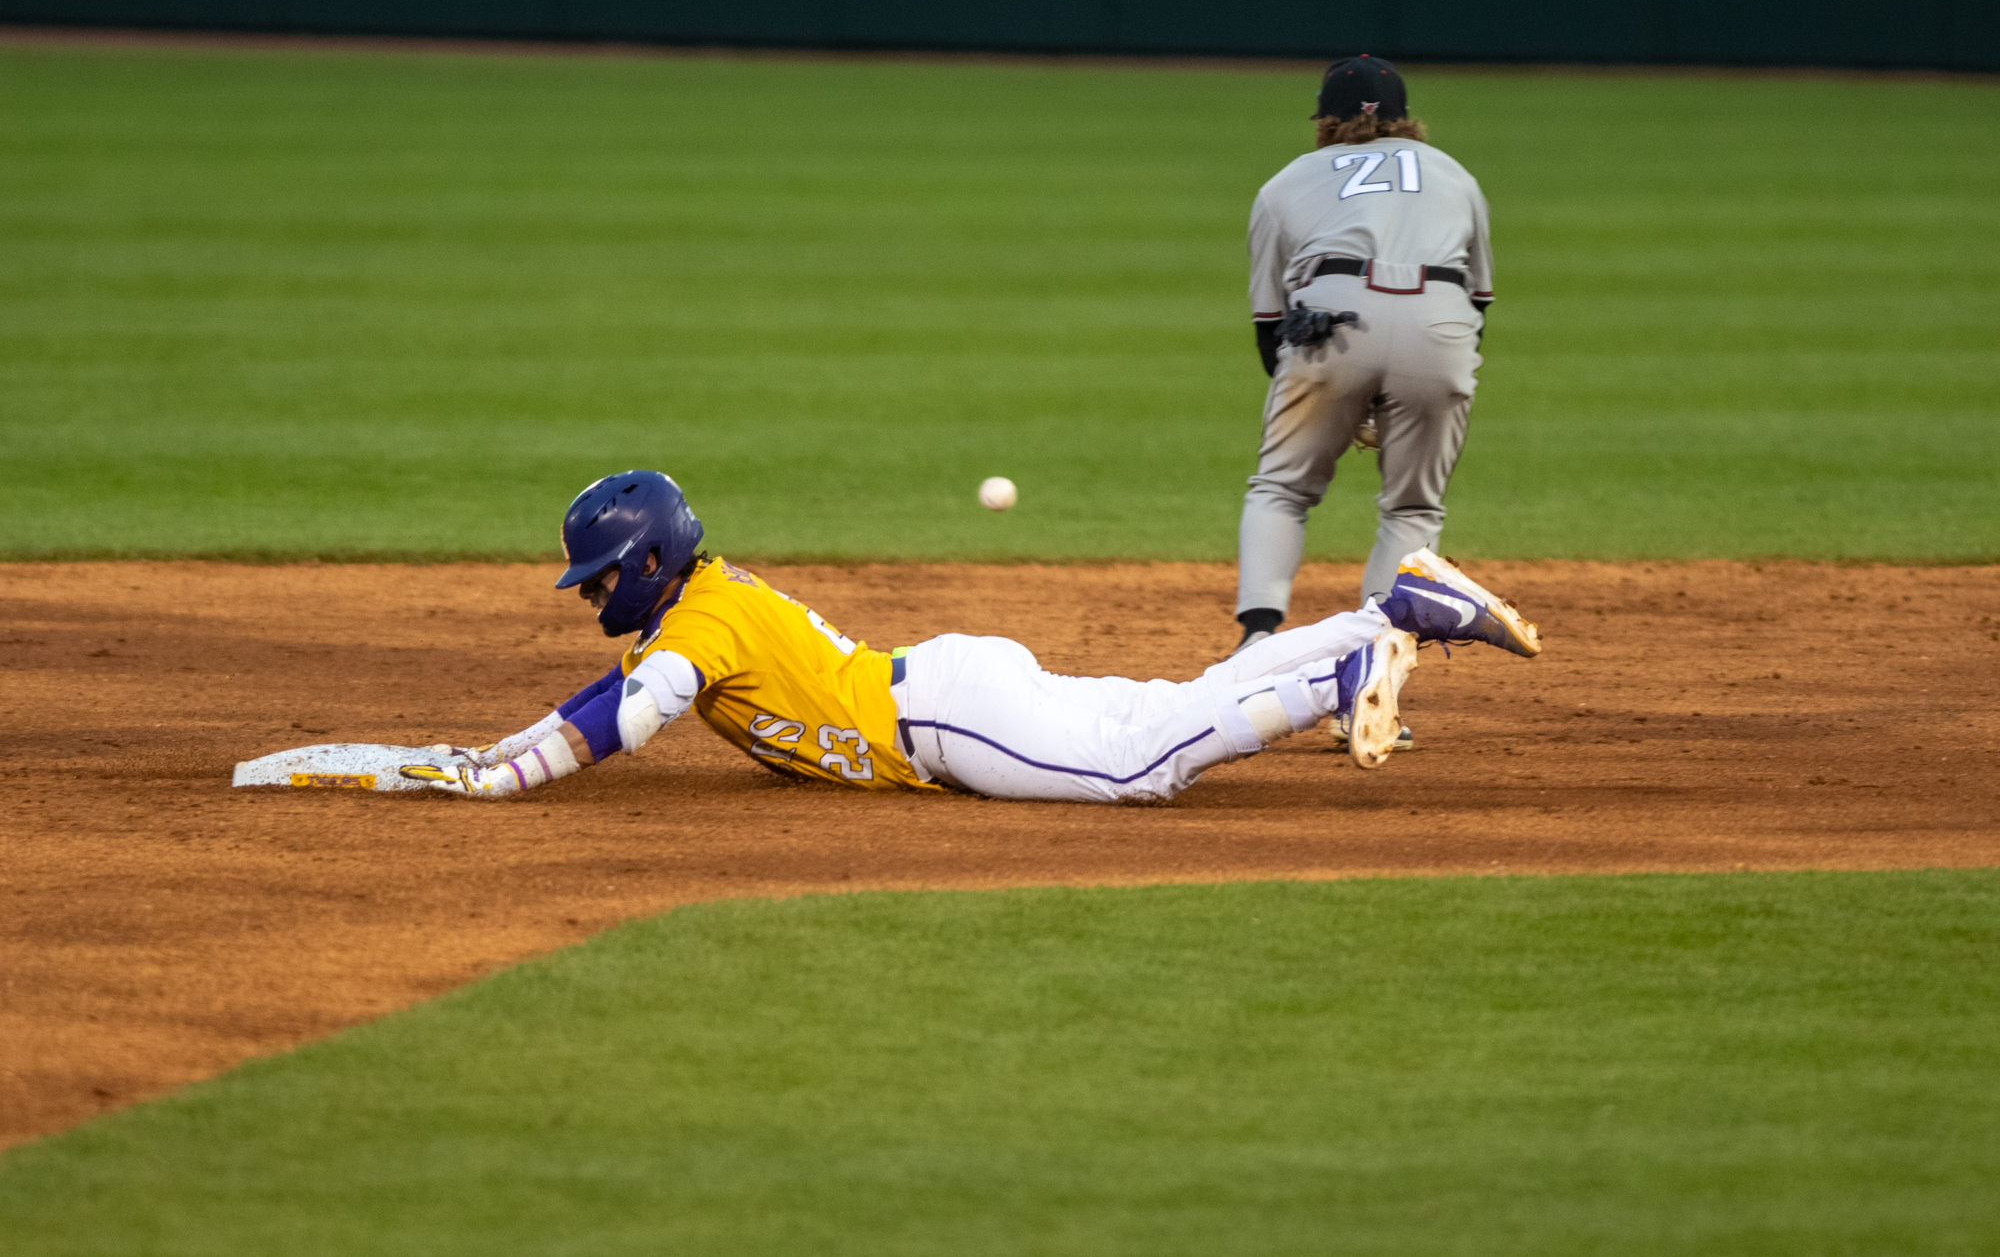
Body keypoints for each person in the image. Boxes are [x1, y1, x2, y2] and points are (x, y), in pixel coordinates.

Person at [400, 470, 1540, 805]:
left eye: (599, 575)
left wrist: (514, 767)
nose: (590, 594)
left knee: (1135, 768)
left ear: (646, 560)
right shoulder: (697, 603)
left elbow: (637, 712)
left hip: (941, 717)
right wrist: (512, 741)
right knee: (1159, 708)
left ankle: (1350, 662)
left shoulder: (699, 619)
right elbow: (624, 688)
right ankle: (1382, 613)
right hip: (951, 683)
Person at [1233, 55, 1496, 681]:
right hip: (1442, 325)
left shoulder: (1286, 182)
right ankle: (1371, 675)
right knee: (1411, 510)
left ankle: (1255, 646)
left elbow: (1270, 327)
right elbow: (1479, 303)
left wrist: (1332, 399)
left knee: (1282, 487)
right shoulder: (1455, 174)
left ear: (1324, 121)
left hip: (1331, 322)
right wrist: (1399, 390)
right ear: (1407, 121)